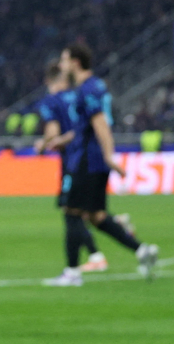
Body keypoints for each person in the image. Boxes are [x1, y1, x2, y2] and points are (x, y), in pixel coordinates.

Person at [43, 45, 158, 287]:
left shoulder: (87, 89)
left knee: (71, 211)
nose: (62, 66)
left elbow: (100, 124)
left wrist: (109, 156)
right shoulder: (94, 87)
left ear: (75, 62)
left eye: (64, 60)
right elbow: (82, 129)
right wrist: (60, 141)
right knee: (96, 216)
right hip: (89, 156)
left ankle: (72, 273)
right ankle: (142, 250)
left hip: (87, 159)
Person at [33, 64, 106, 274]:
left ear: (50, 82)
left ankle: (94, 255)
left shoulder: (50, 102)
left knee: (71, 211)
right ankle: (100, 245)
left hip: (72, 162)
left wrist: (45, 144)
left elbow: (53, 130)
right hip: (88, 158)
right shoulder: (78, 96)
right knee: (79, 211)